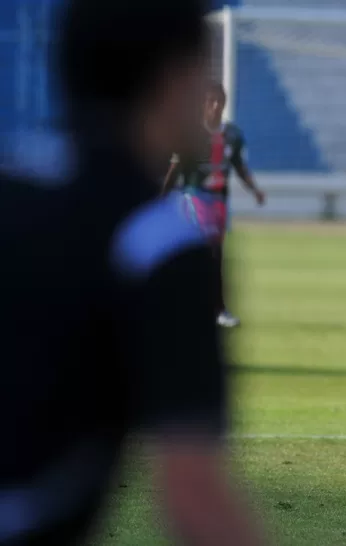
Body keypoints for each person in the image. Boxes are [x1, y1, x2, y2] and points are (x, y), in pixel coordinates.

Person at [0, 0, 267, 544]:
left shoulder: (16, 183)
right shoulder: (157, 243)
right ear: (172, 78)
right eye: (205, 69)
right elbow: (195, 497)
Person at [162, 81, 266, 328]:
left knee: (210, 255)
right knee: (212, 253)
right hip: (193, 197)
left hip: (219, 202)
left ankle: (200, 306)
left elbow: (239, 167)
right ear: (203, 104)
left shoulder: (232, 135)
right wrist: (161, 198)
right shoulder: (190, 135)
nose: (216, 106)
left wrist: (254, 190)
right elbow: (175, 170)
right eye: (211, 101)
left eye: (220, 101)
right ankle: (216, 309)